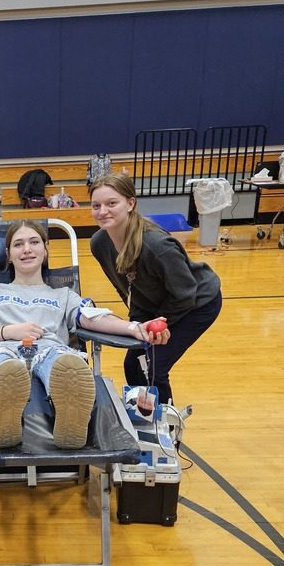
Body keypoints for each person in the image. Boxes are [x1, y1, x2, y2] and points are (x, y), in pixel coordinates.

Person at [0, 220, 169, 449]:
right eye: (18, 244)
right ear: (8, 254)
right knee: (1, 365)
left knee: (64, 362)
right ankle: (5, 422)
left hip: (49, 351)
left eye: (34, 242)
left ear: (46, 249)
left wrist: (136, 328)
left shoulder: (63, 295)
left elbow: (92, 317)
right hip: (1, 351)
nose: (27, 249)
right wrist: (7, 332)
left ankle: (71, 419)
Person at [89, 173, 221, 407]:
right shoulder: (99, 243)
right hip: (157, 303)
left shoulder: (156, 245)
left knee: (152, 366)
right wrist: (138, 324)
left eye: (111, 203)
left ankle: (166, 429)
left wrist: (156, 326)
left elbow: (185, 294)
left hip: (197, 303)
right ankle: (144, 418)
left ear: (130, 203)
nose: (103, 211)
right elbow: (127, 288)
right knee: (133, 364)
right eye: (96, 205)